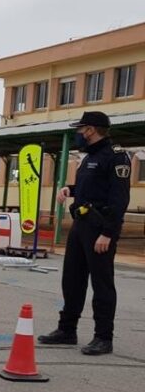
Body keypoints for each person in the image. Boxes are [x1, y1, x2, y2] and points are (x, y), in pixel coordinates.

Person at [38, 110, 131, 356]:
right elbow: (89, 188)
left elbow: (119, 199)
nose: (78, 134)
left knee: (102, 284)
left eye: (80, 129)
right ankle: (67, 330)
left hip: (100, 229)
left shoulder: (116, 158)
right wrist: (69, 189)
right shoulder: (88, 158)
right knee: (72, 280)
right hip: (81, 225)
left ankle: (103, 337)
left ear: (90, 130)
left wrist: (108, 233)